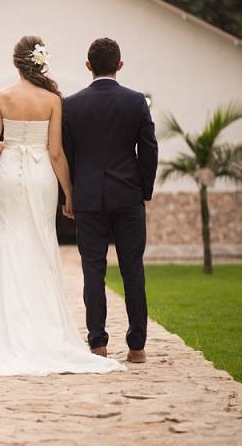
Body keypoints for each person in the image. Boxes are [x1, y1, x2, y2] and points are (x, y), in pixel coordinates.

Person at [0, 36, 126, 376]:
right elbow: (56, 153)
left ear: (16, 63)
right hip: (41, 174)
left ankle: (5, 325)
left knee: (7, 237)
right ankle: (41, 325)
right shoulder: (53, 99)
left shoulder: (1, 98)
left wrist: (14, 143)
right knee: (39, 239)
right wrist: (69, 193)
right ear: (41, 63)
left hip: (8, 173)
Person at [62, 37, 158, 363]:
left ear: (88, 66)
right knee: (133, 269)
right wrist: (144, 190)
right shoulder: (135, 102)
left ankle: (97, 345)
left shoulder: (71, 105)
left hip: (88, 198)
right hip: (128, 196)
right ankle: (137, 346)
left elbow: (68, 155)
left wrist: (72, 193)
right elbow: (149, 149)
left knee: (93, 271)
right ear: (120, 64)